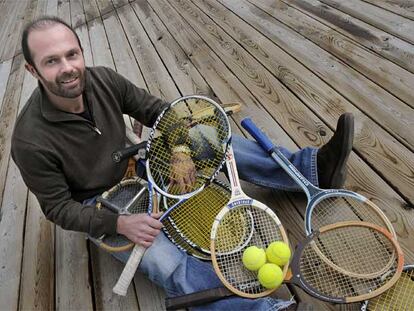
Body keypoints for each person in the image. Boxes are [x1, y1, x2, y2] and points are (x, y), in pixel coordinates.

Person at [11, 16, 354, 310]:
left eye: (72, 54)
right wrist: (118, 224)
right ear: (32, 69)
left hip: (140, 164)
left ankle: (309, 170)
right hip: (104, 202)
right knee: (165, 262)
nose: (68, 68)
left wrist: (180, 152)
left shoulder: (103, 79)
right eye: (52, 60)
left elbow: (161, 111)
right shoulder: (30, 141)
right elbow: (58, 209)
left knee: (207, 137)